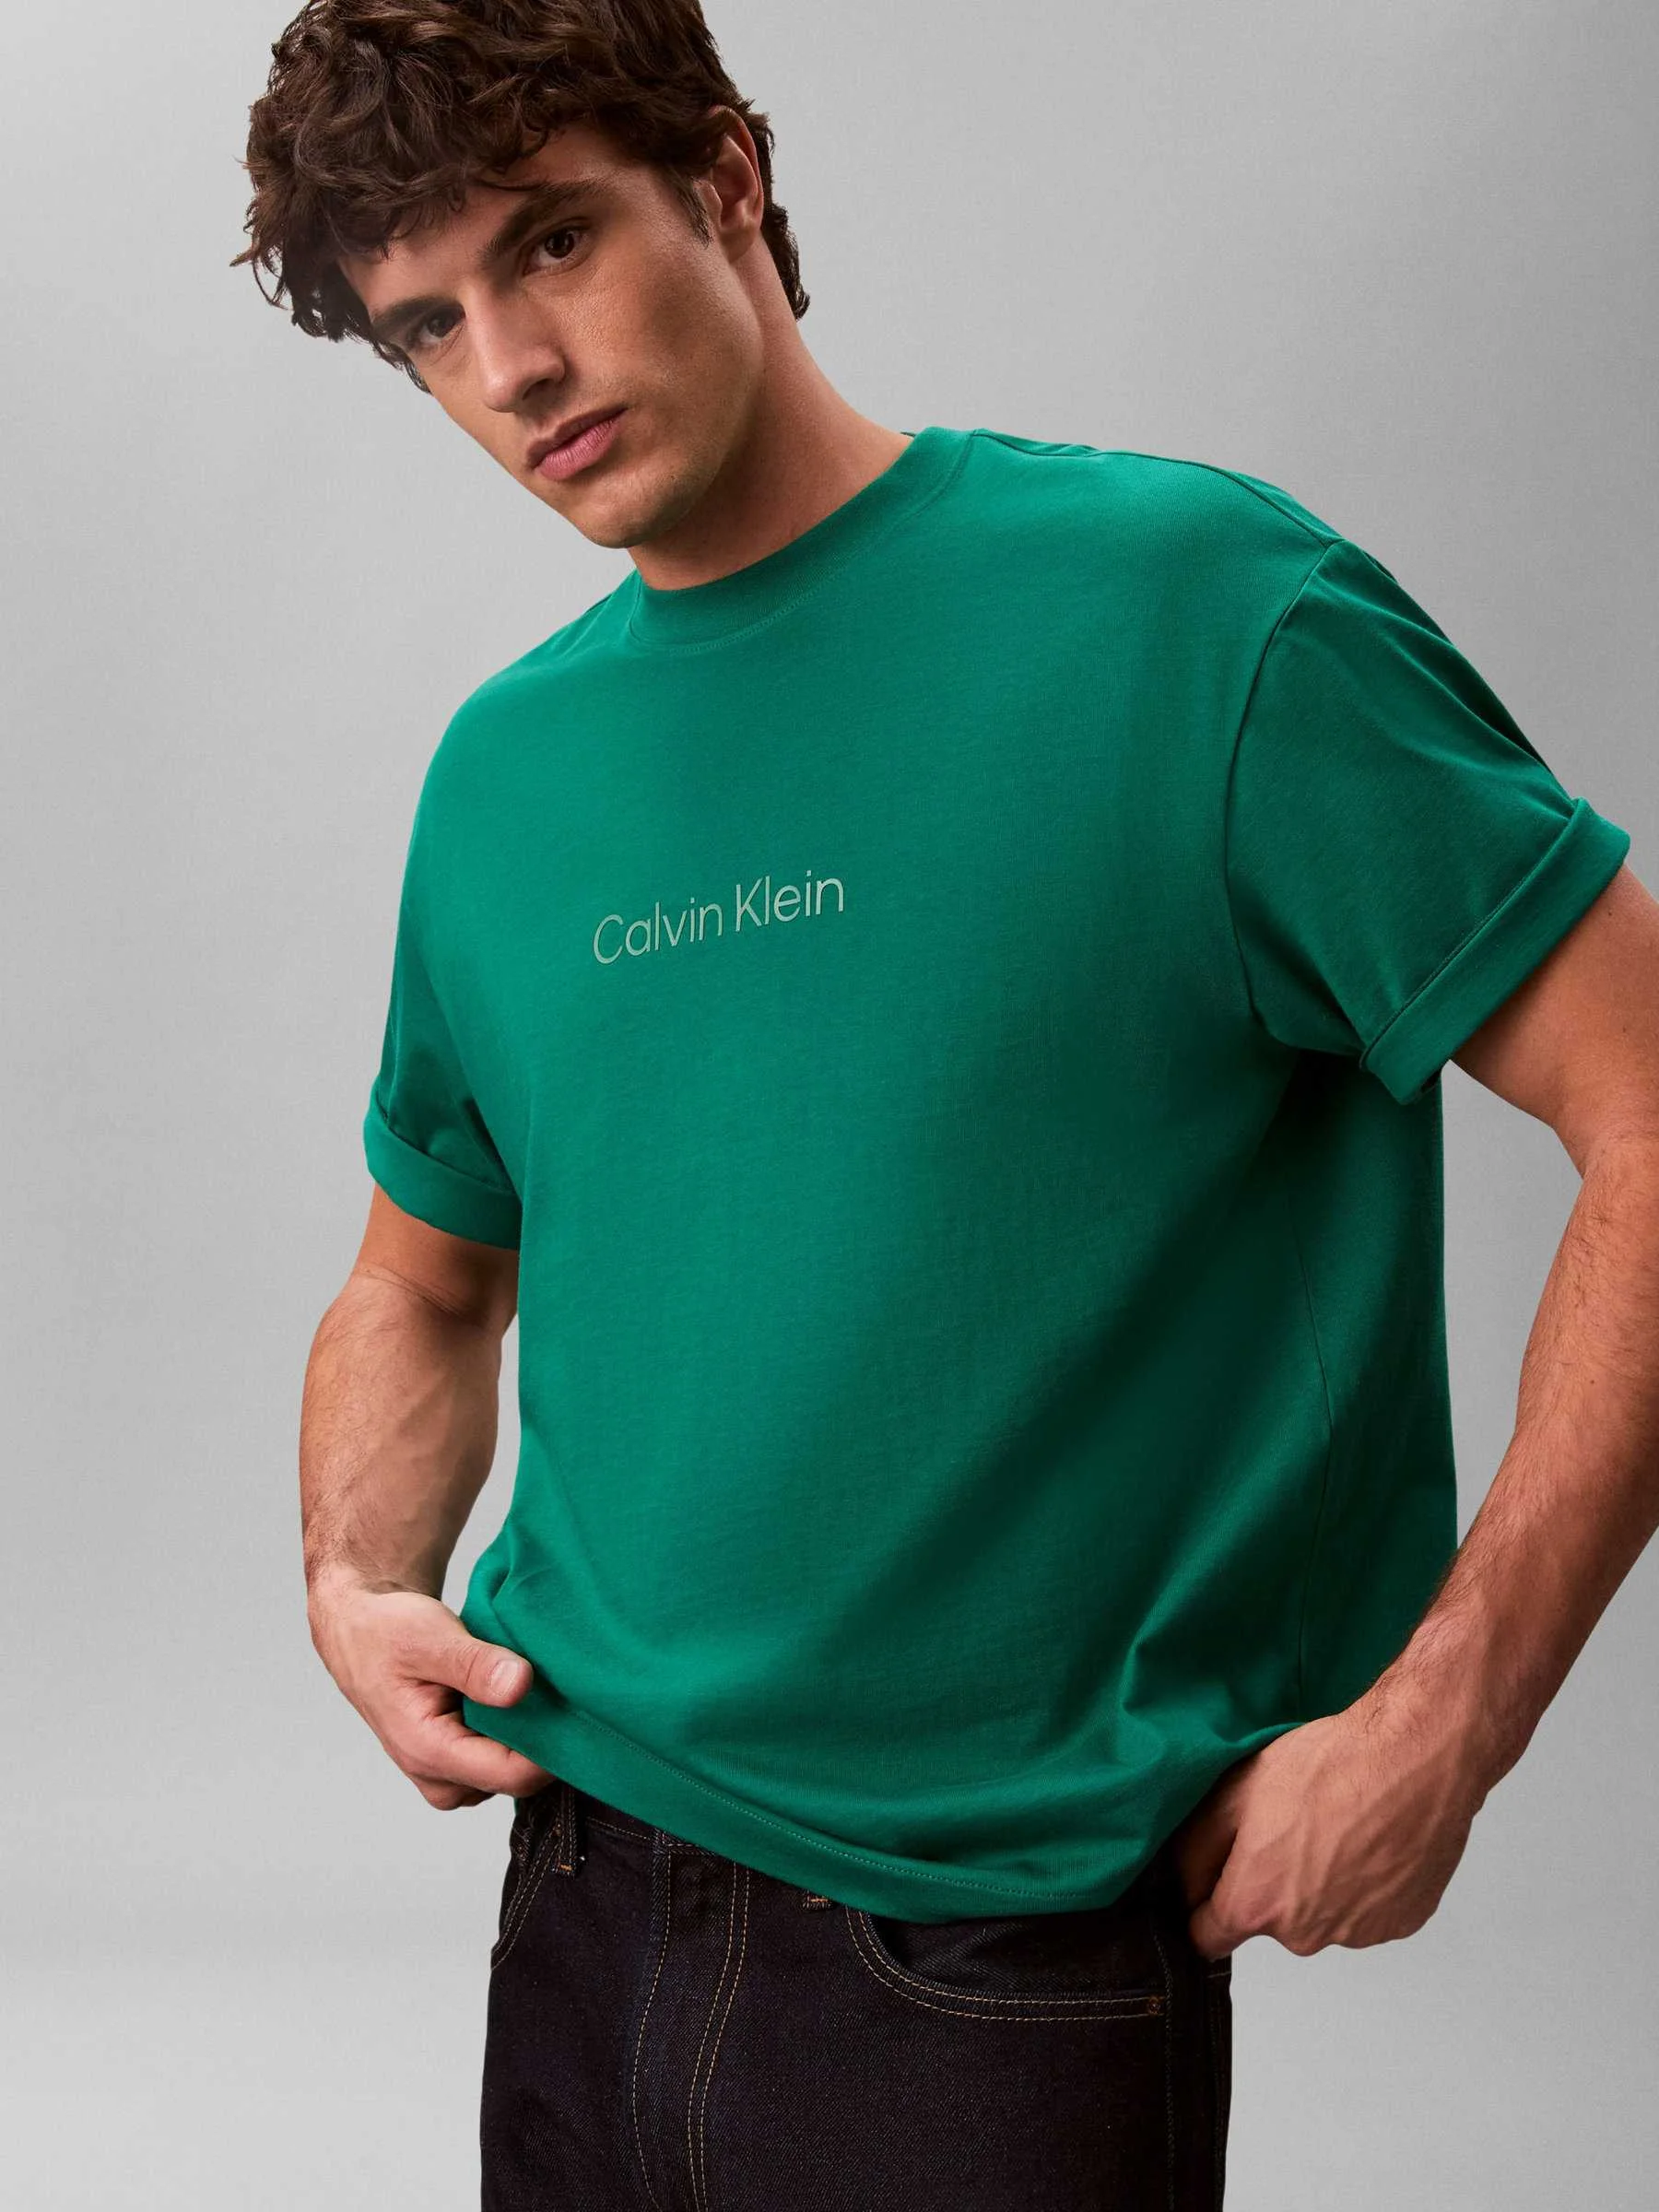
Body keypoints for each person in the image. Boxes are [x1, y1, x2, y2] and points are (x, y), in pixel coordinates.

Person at [236, 4, 1659, 2204]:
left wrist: (1453, 1718)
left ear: (725, 179)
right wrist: (353, 1581)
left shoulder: (1197, 614)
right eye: (427, 326)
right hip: (583, 1910)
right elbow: (419, 1284)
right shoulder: (505, 777)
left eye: (551, 243)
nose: (509, 366)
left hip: (987, 1973)